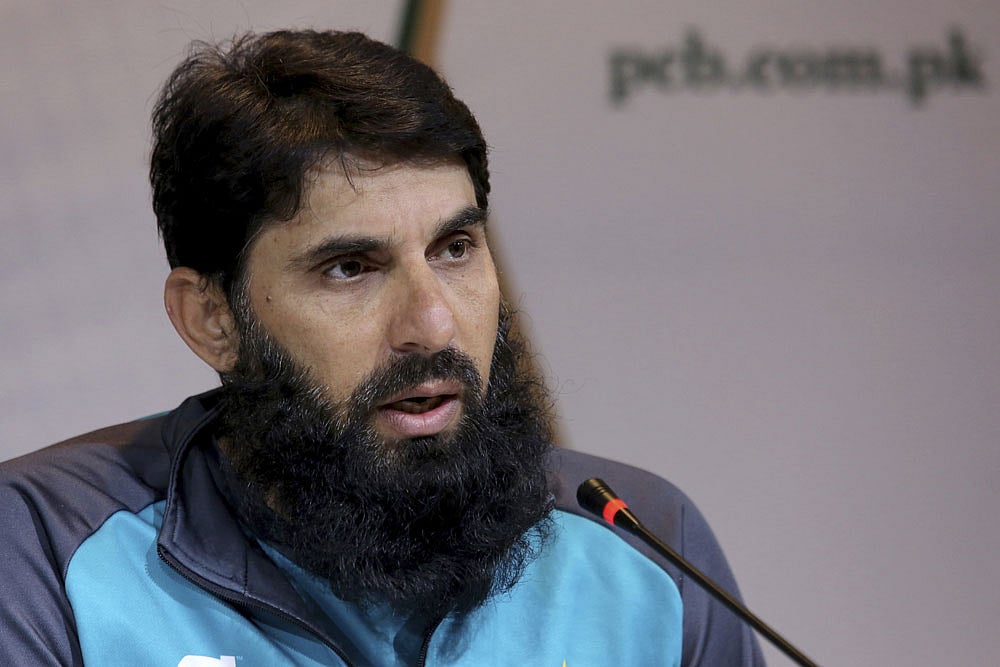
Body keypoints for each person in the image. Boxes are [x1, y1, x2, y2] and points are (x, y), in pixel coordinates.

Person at [0, 30, 763, 666]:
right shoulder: (43, 553)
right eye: (350, 268)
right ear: (211, 319)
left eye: (455, 248)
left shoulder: (644, 546)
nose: (432, 325)